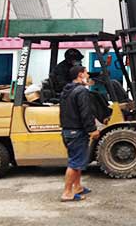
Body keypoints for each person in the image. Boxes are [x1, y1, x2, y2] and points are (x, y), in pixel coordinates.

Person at [59, 65, 100, 202]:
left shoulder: (67, 90)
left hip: (67, 130)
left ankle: (77, 187)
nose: (88, 75)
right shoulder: (81, 91)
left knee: (77, 160)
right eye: (86, 73)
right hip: (77, 131)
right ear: (80, 75)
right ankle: (67, 193)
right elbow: (85, 113)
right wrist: (92, 129)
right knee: (75, 163)